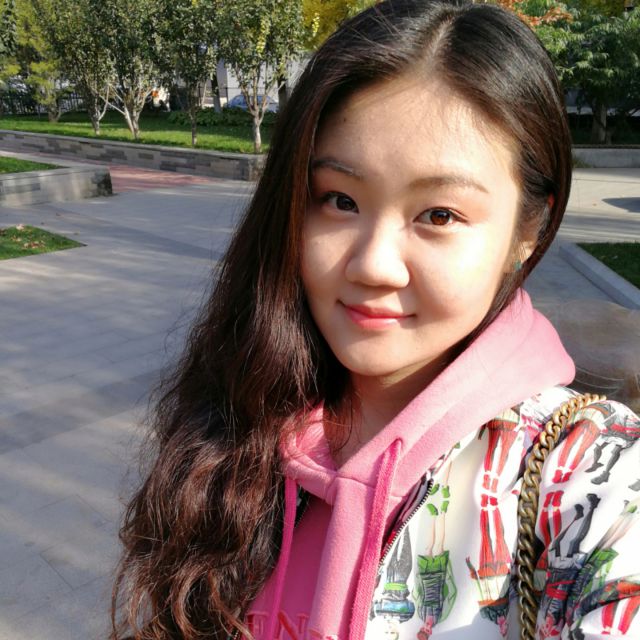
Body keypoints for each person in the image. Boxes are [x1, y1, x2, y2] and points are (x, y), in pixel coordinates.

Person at [111, 1, 640, 639]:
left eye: (439, 215)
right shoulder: (243, 408)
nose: (373, 265)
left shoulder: (591, 477)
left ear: (529, 229)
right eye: (340, 200)